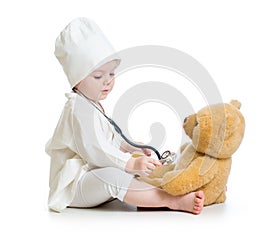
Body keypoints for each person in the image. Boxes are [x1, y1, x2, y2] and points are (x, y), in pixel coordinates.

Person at [46, 17, 204, 214]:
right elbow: (96, 149)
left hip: (92, 174)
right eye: (98, 76)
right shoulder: (77, 108)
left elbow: (108, 140)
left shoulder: (93, 104)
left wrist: (130, 147)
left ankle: (155, 196)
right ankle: (172, 200)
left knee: (130, 169)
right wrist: (129, 162)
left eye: (111, 74)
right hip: (74, 186)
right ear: (76, 80)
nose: (107, 81)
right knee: (113, 176)